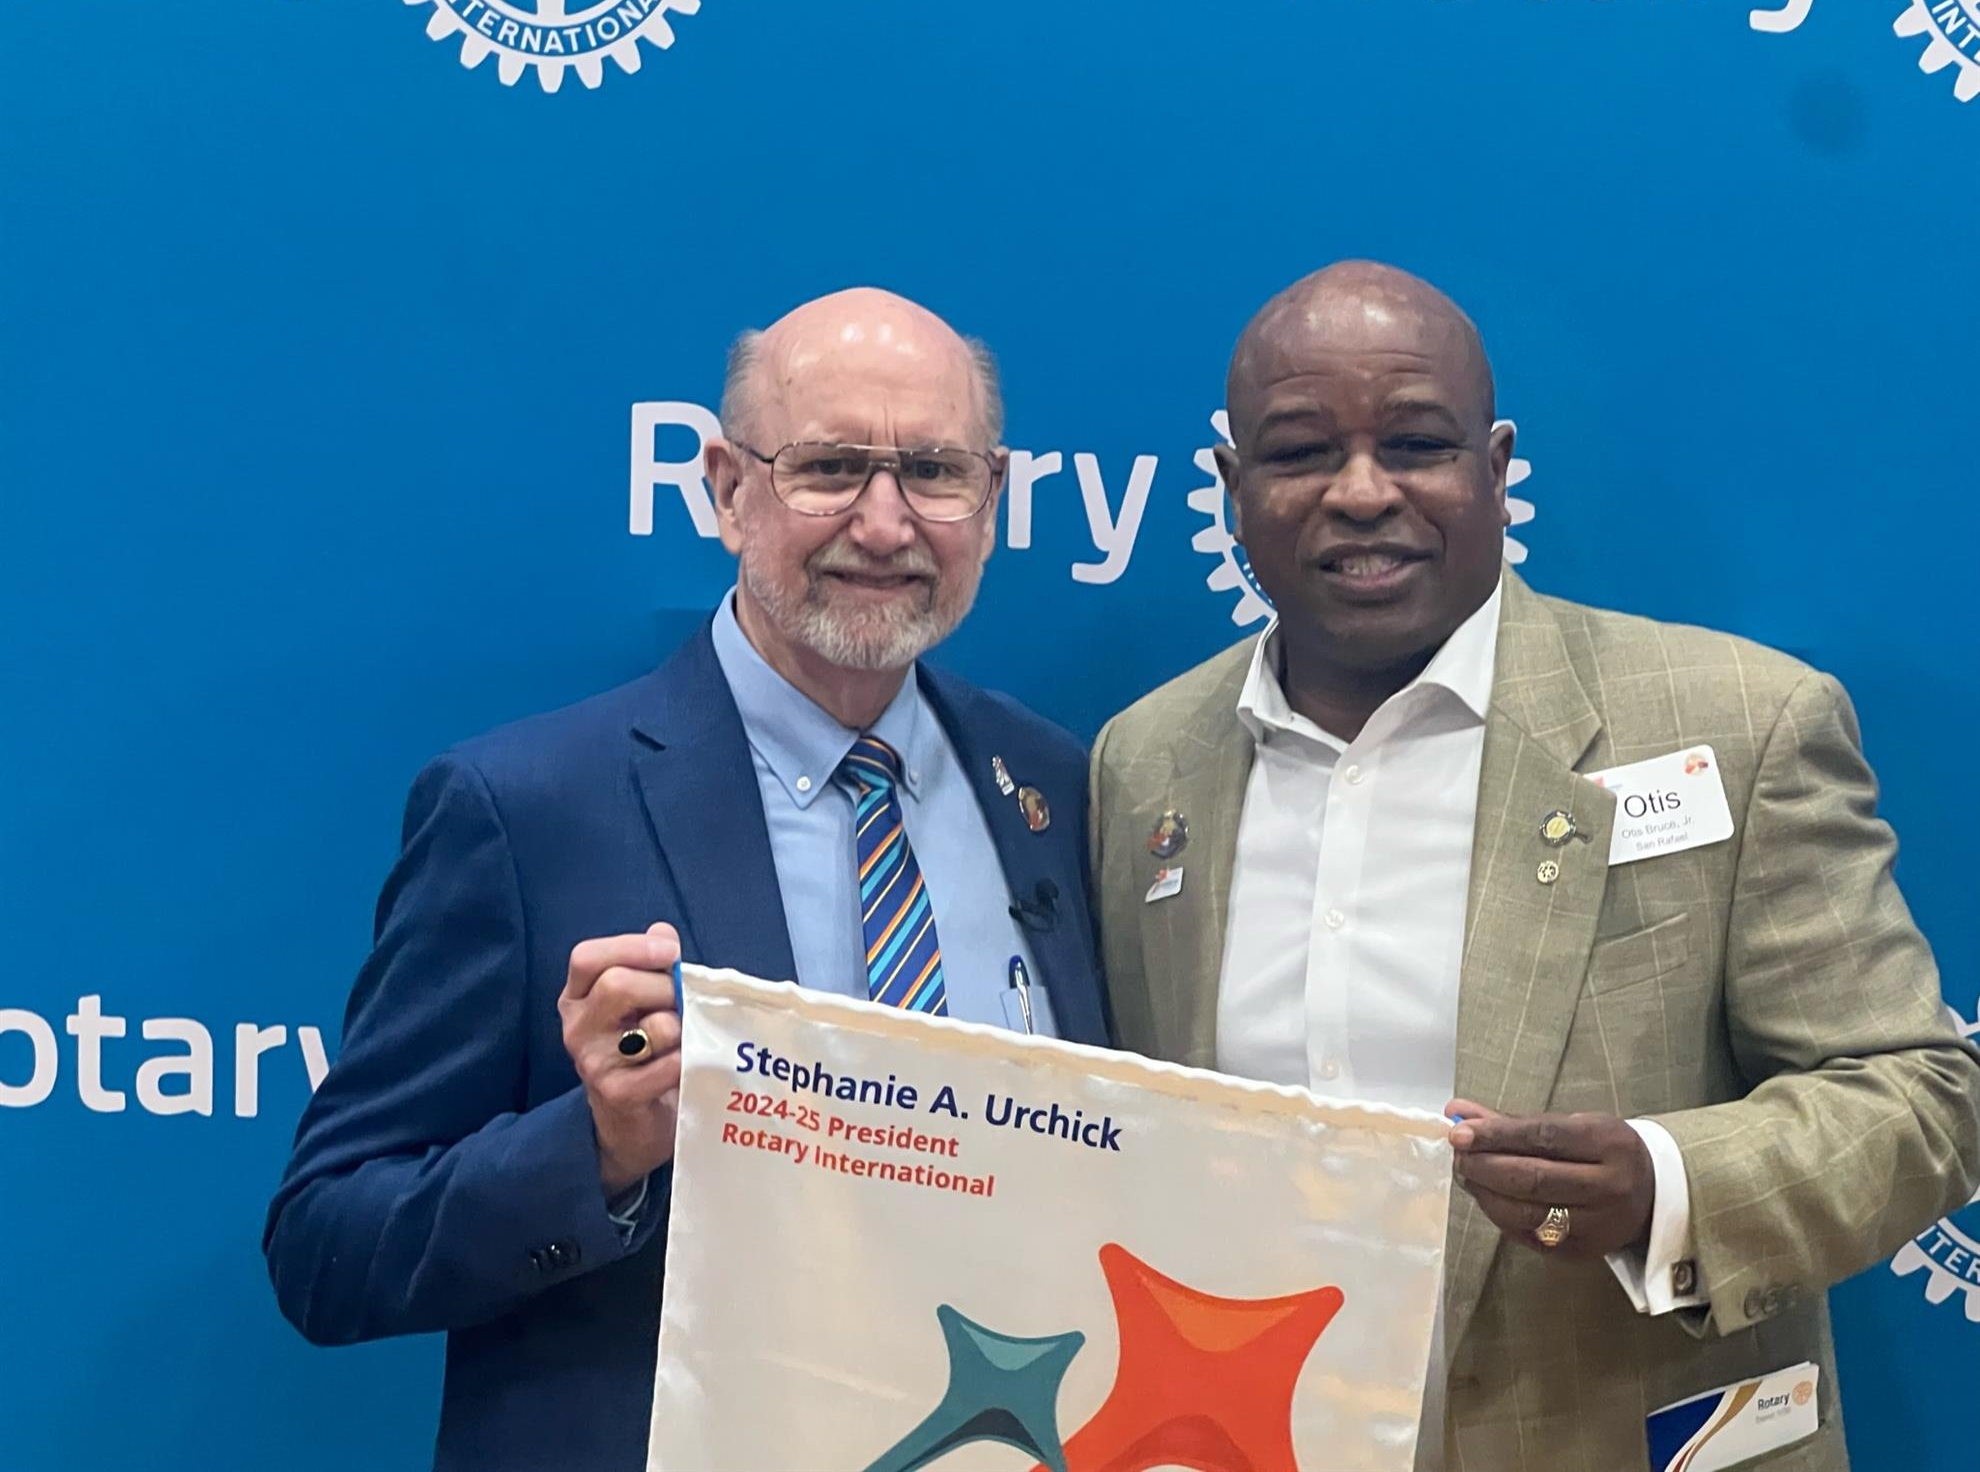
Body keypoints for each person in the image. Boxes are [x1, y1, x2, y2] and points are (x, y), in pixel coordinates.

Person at [1088, 260, 1980, 1470]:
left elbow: (1920, 1094)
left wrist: (1666, 1185)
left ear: (1497, 468)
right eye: (1301, 453)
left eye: (1417, 443)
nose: (1363, 492)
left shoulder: (1740, 721)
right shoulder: (1145, 762)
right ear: (1231, 487)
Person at [265, 288, 1110, 1471]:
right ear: (725, 489)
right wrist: (600, 1147)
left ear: (994, 494)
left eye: (932, 471)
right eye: (829, 468)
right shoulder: (527, 809)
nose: (883, 524)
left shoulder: (1058, 787)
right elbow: (326, 1242)